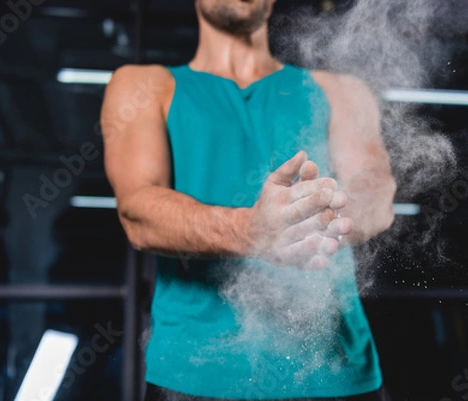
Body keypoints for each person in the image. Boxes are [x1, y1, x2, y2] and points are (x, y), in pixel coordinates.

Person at [100, 0, 396, 400]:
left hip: (337, 371)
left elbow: (375, 196)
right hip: (196, 377)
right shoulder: (142, 85)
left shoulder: (341, 90)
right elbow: (138, 210)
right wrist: (254, 231)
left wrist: (309, 224)